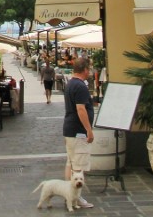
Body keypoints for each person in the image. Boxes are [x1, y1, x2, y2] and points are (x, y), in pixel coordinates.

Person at [62, 56, 94, 209]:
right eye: (89, 69)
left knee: (71, 163)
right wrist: (89, 129)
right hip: (78, 131)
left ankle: (68, 194)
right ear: (85, 70)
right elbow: (81, 109)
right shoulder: (80, 86)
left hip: (69, 129)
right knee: (78, 166)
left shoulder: (70, 84)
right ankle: (76, 197)